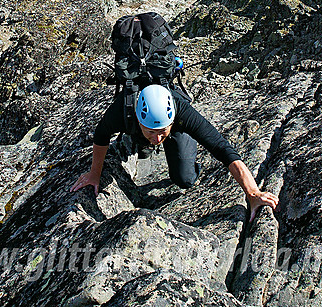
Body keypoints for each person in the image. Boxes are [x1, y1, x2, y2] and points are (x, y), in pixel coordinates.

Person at [71, 84, 278, 221]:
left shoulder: (182, 112)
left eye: (162, 132)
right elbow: (101, 136)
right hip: (134, 127)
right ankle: (139, 141)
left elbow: (222, 149)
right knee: (143, 143)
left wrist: (252, 193)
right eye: (152, 132)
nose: (158, 138)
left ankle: (165, 137)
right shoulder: (121, 110)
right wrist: (94, 175)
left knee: (185, 179)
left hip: (167, 127)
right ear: (138, 117)